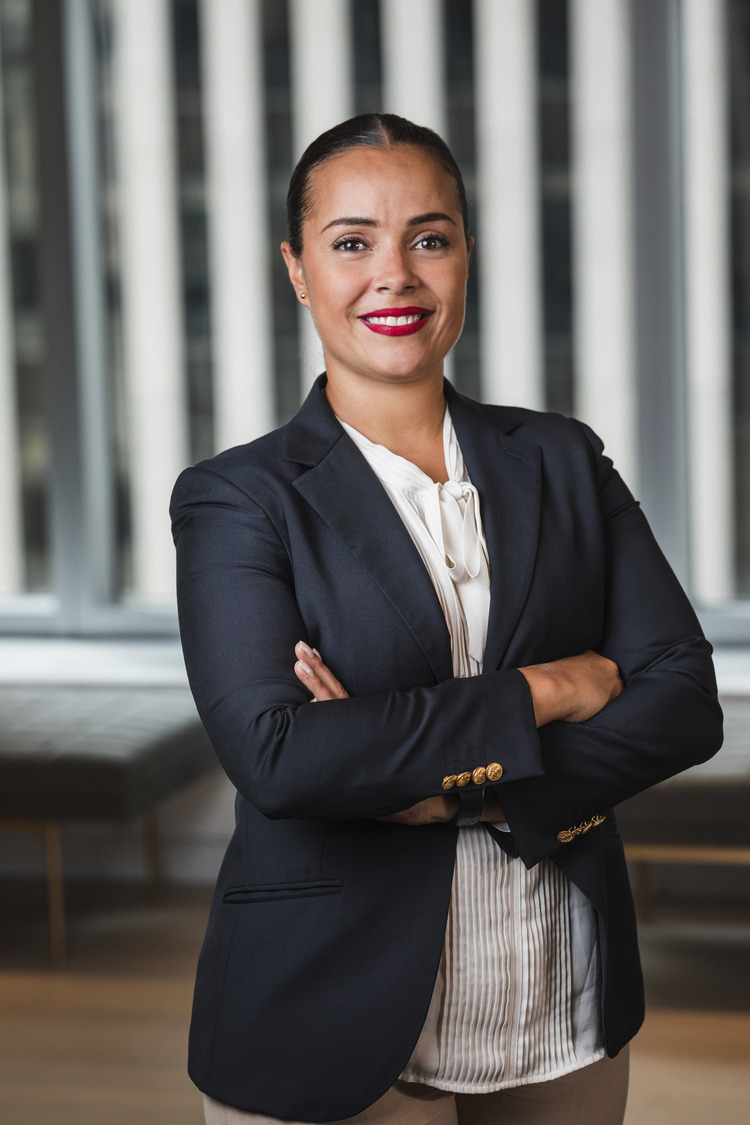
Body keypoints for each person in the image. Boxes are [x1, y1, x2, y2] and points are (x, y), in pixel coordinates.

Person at [171, 113, 722, 1125]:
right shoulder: (237, 498)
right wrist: (546, 691)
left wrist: (451, 789)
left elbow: (684, 701)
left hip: (556, 1006)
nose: (396, 275)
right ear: (298, 271)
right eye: (352, 244)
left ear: (467, 254)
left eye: (429, 238)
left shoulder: (562, 459)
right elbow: (281, 757)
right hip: (331, 1016)